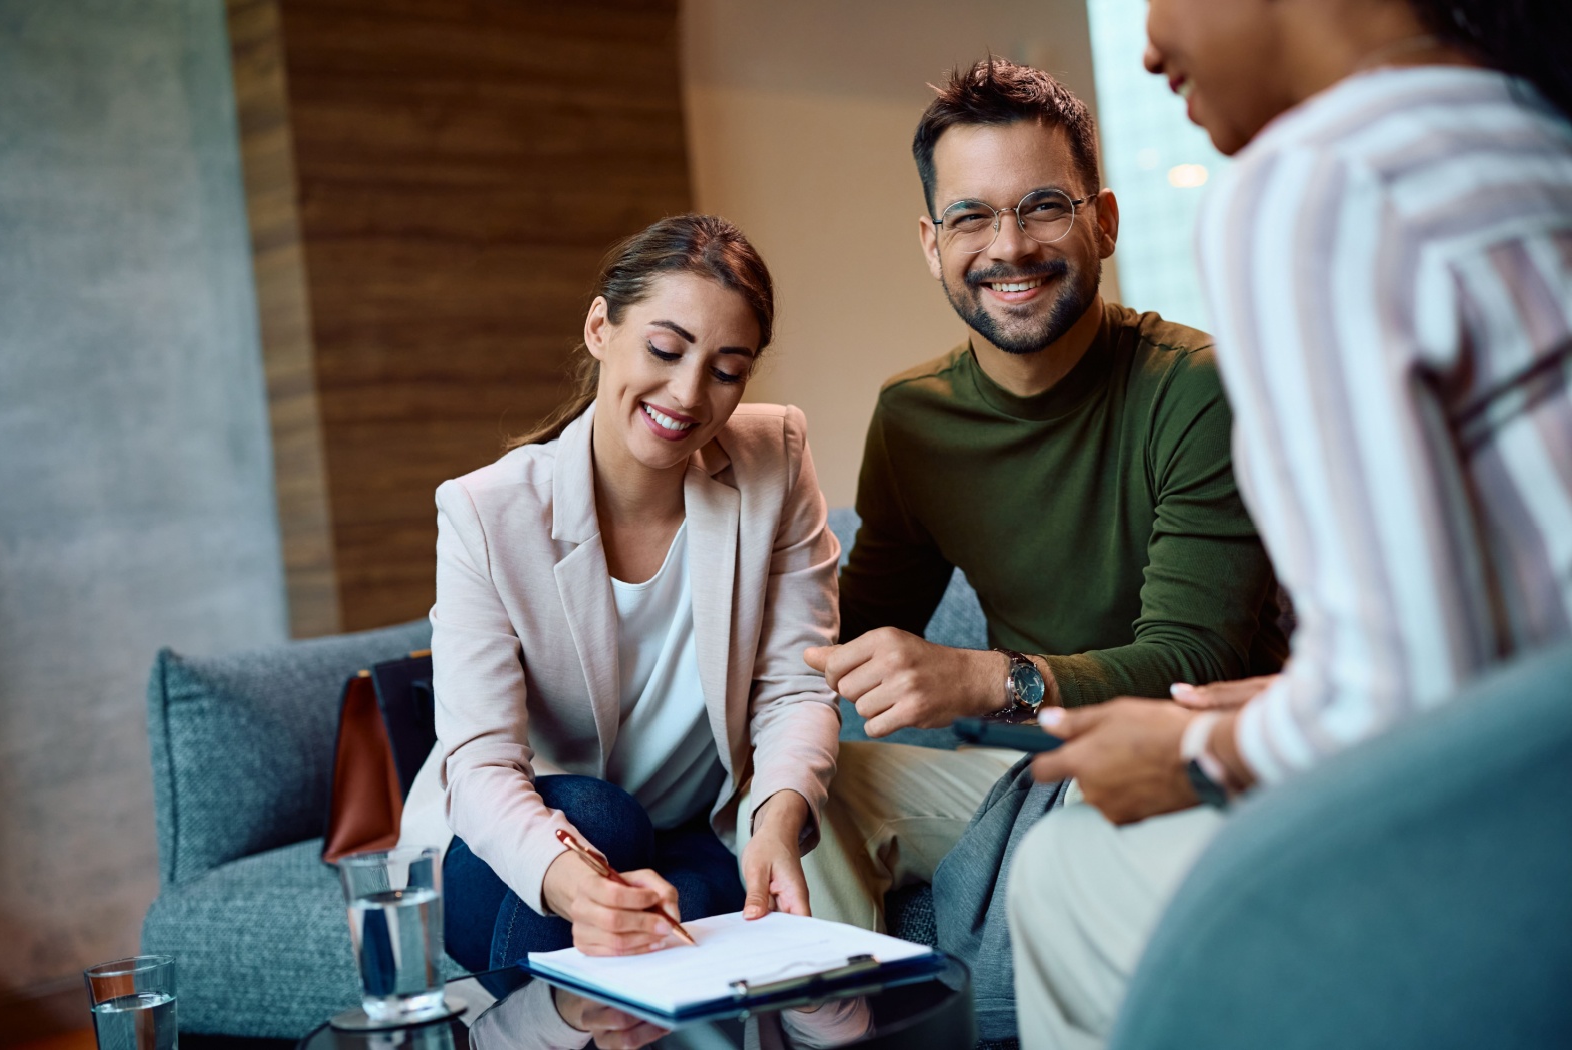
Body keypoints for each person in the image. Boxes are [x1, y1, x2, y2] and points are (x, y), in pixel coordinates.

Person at [1007, 0, 1572, 1045]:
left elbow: (1399, 702)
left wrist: (1193, 748)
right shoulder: (1531, 132)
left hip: (1519, 860)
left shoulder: (1314, 181)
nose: (1142, 45)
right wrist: (1291, 696)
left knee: (1064, 872)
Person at [797, 58, 1287, 969]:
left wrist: (988, 679)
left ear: (1102, 219)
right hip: (1030, 769)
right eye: (970, 216)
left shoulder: (1198, 390)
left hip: (1195, 766)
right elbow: (854, 632)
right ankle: (837, 1023)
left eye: (1042, 206)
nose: (1008, 246)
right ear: (931, 242)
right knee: (801, 794)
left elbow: (1195, 659)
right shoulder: (914, 417)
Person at [396, 214, 844, 979]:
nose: (689, 393)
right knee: (604, 820)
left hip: (685, 837)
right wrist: (578, 890)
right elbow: (482, 764)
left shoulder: (777, 457)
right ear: (601, 326)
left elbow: (797, 683)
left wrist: (775, 819)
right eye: (665, 350)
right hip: (512, 848)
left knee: (699, 894)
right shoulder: (486, 511)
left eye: (728, 369)